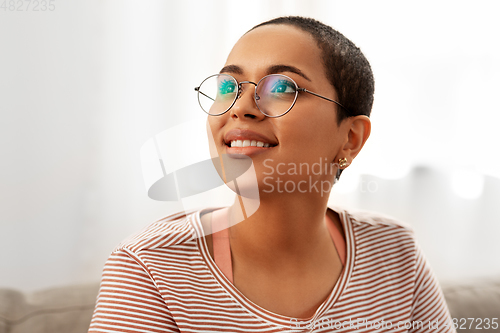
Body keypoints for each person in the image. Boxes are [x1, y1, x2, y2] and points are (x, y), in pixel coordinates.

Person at [89, 16, 456, 332]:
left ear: (350, 138)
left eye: (282, 87)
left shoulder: (393, 253)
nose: (241, 107)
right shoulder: (150, 266)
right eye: (227, 87)